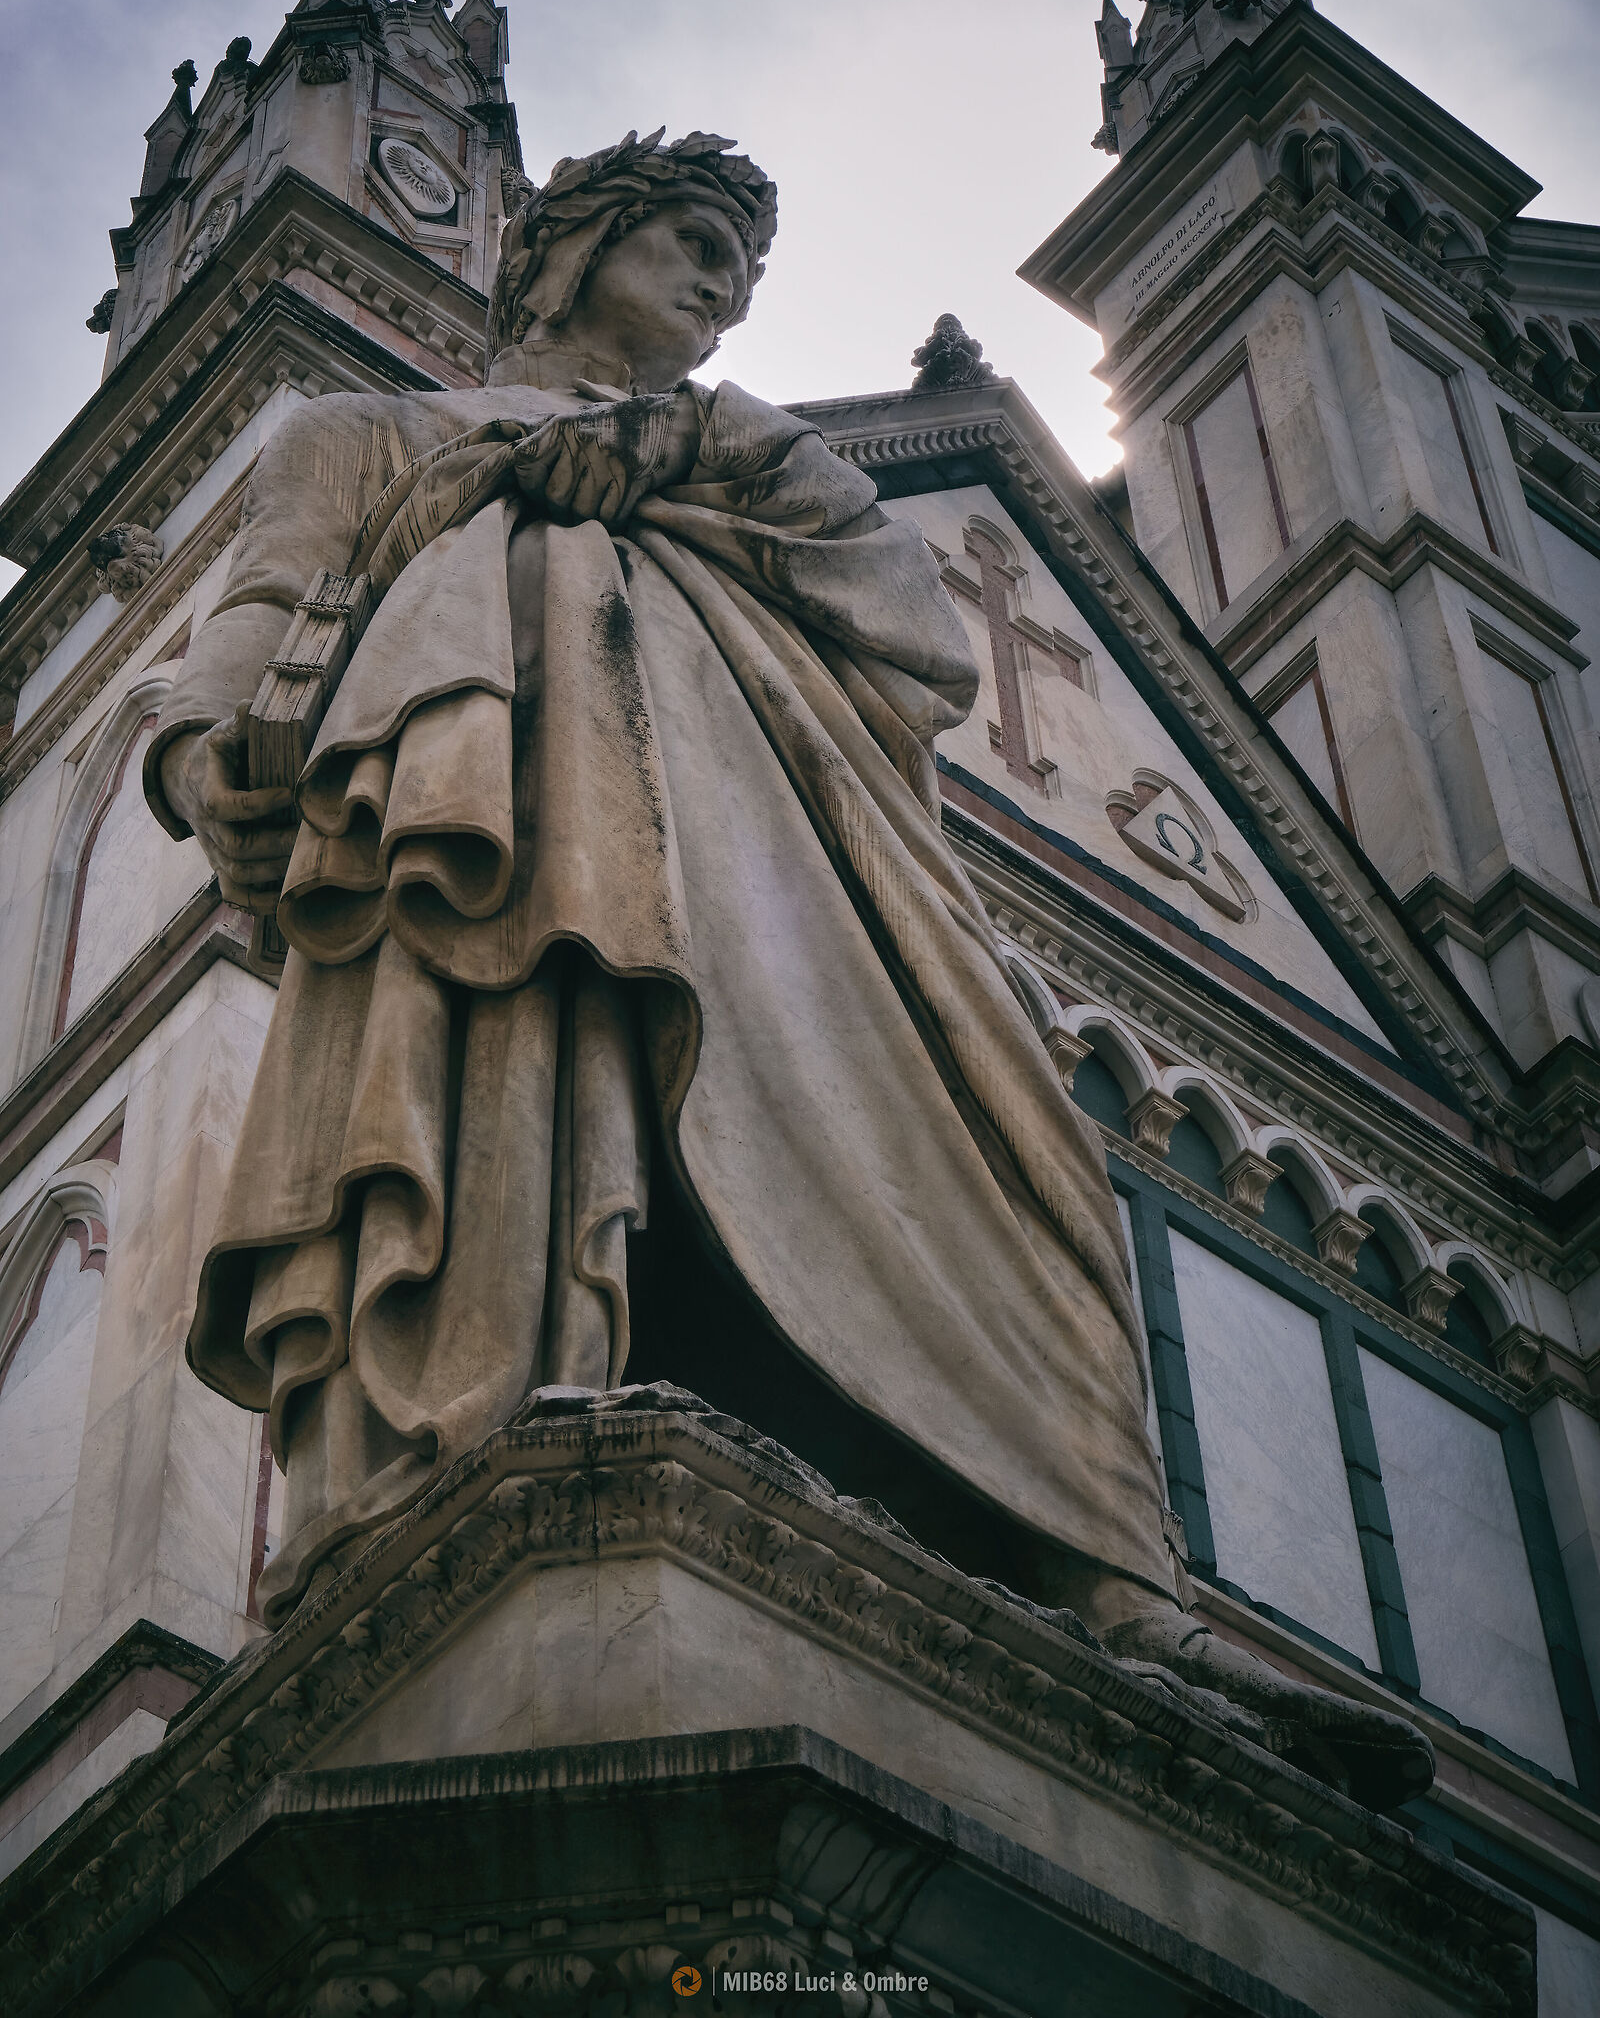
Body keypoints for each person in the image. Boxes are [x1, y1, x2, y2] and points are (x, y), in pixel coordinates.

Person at [148, 128, 1430, 1807]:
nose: (717, 284)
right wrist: (198, 772)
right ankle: (514, 1448)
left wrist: (669, 454)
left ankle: (1111, 1587)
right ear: (564, 247)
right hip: (528, 851)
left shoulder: (758, 458)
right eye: (687, 239)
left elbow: (910, 628)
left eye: (738, 270)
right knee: (562, 1070)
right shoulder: (377, 433)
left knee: (1022, 1157)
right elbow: (249, 628)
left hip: (806, 895)